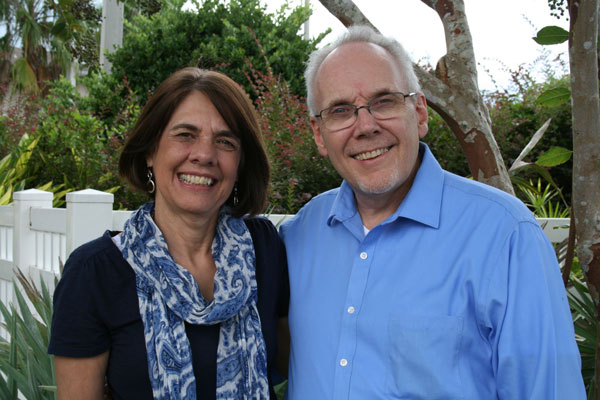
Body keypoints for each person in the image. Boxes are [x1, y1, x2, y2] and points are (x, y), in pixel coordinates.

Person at [279, 25, 585, 399]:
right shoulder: (299, 237)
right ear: (318, 133)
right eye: (341, 111)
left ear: (420, 113)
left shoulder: (505, 236)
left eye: (384, 101)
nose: (366, 126)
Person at [48, 67, 289, 399]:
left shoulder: (264, 248)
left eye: (225, 141)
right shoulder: (95, 272)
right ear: (150, 151)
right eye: (185, 135)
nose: (204, 154)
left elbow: (294, 363)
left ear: (241, 163)